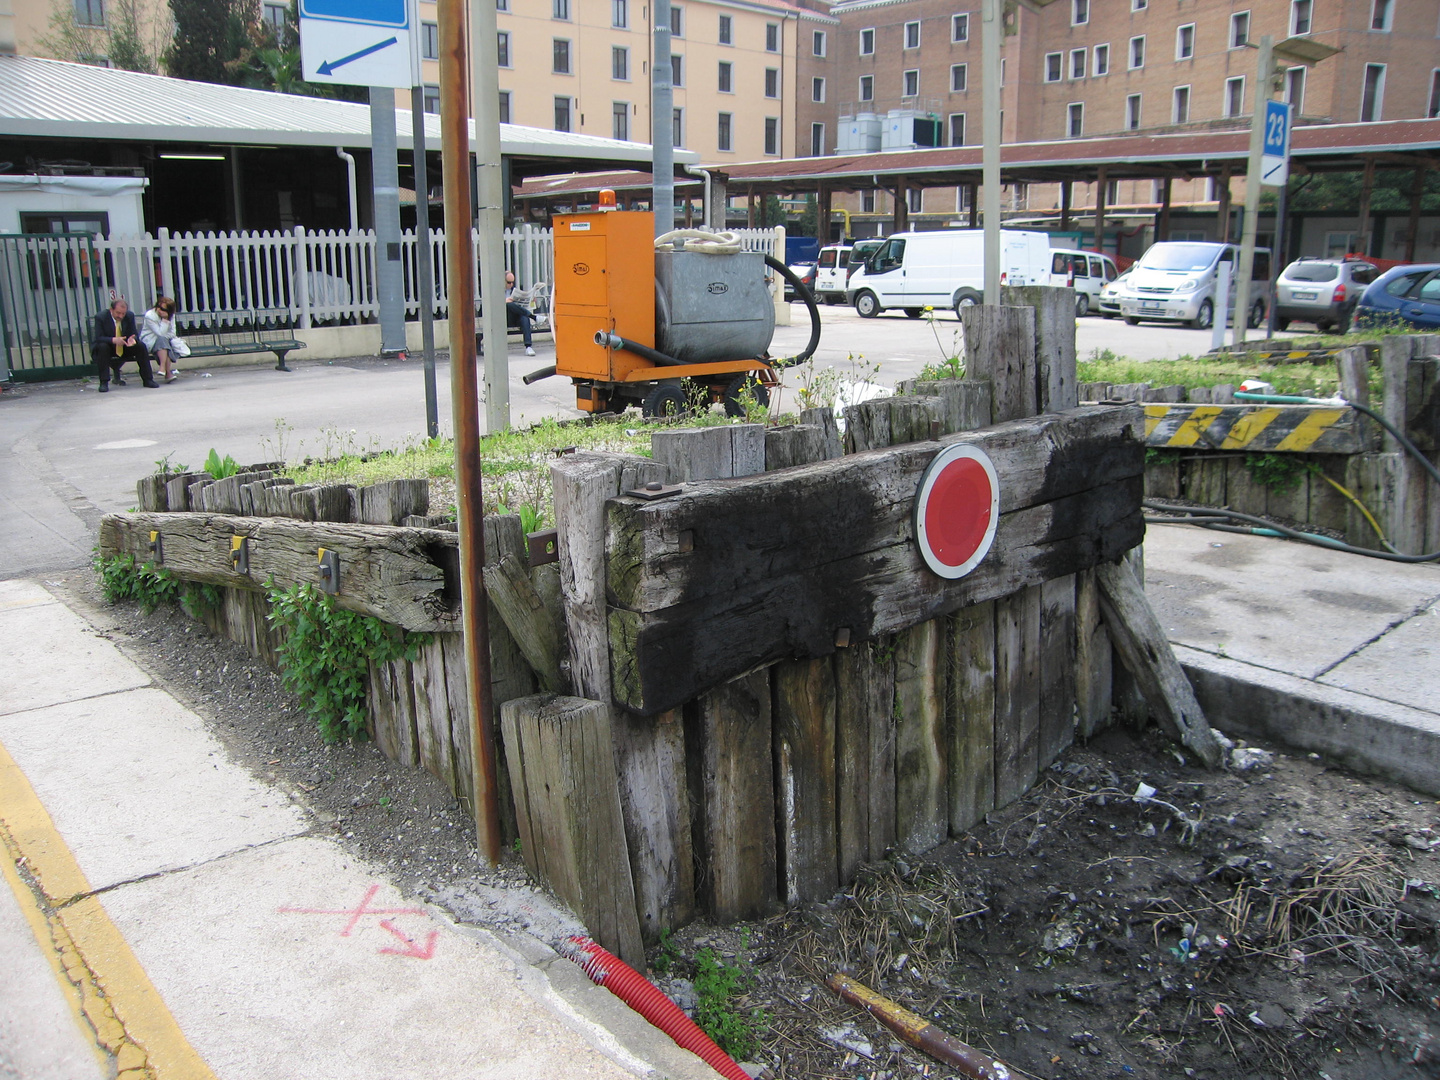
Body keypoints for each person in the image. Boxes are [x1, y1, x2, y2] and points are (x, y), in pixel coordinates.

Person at [91, 297, 156, 392]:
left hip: (124, 346)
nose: (120, 316)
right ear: (111, 310)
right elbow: (99, 337)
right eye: (118, 313)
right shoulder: (101, 317)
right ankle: (104, 382)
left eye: (123, 313)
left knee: (141, 346)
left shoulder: (129, 316)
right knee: (102, 347)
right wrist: (113, 340)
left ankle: (148, 379)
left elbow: (134, 333)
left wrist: (132, 340)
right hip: (108, 347)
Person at [140, 296, 180, 383]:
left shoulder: (171, 316)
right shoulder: (150, 316)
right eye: (158, 306)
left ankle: (163, 369)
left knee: (164, 342)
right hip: (150, 340)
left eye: (162, 309)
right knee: (163, 341)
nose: (159, 309)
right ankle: (167, 372)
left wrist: (166, 319)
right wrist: (165, 320)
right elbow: (160, 333)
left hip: (164, 342)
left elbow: (173, 332)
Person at [505, 271, 536, 357]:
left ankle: (528, 347)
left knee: (524, 317)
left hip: (515, 317)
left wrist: (531, 300)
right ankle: (533, 317)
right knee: (510, 304)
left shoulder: (513, 291)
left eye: (512, 282)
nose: (511, 284)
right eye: (508, 282)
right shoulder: (496, 292)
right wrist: (504, 302)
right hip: (504, 318)